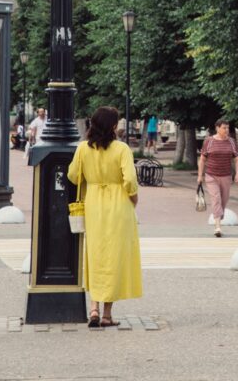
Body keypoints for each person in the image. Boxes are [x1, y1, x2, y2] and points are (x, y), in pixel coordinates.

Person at [67, 106, 142, 328]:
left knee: (95, 254)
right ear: (113, 126)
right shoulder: (121, 149)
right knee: (115, 257)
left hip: (93, 204)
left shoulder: (83, 149)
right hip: (119, 203)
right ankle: (107, 314)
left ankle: (93, 308)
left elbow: (72, 175)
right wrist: (134, 198)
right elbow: (129, 179)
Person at [197, 119, 238, 237]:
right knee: (216, 198)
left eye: (228, 128)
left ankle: (218, 216)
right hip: (211, 175)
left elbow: (236, 159)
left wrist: (237, 174)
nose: (226, 130)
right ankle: (217, 227)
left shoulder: (231, 142)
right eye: (224, 128)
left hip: (226, 176)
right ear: (217, 128)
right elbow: (202, 159)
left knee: (224, 200)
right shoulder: (209, 141)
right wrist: (200, 175)